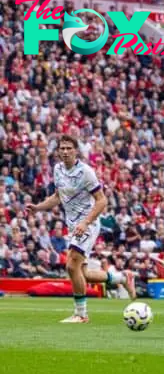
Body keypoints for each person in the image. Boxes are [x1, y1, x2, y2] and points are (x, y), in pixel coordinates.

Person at [25, 135, 135, 323]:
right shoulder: (58, 169)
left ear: (76, 151)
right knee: (82, 274)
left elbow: (102, 200)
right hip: (73, 226)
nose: (65, 152)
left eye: (69, 148)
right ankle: (121, 278)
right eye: (62, 148)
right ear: (58, 151)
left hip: (88, 224)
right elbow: (57, 197)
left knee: (71, 265)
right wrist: (38, 207)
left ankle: (81, 314)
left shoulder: (86, 172)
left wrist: (85, 222)